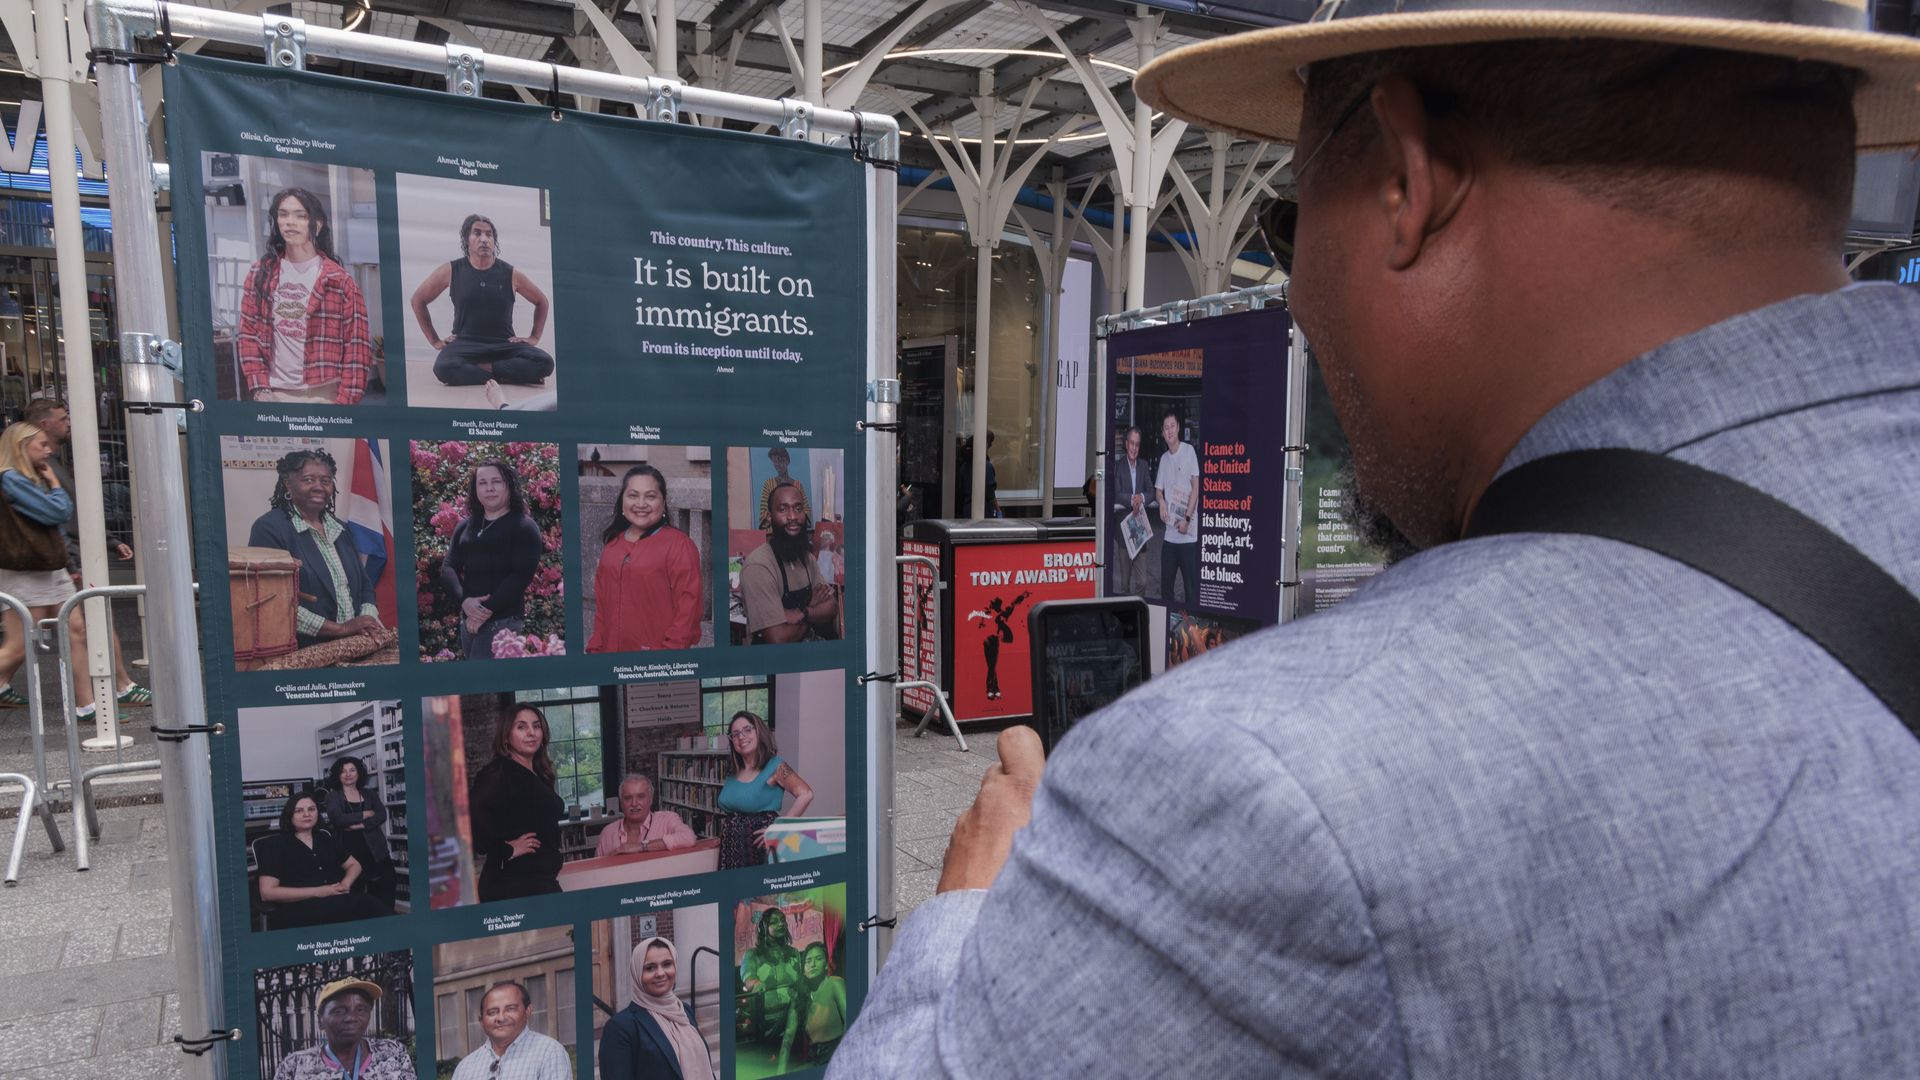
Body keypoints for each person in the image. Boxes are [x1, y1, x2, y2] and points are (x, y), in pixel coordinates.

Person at [834, 2, 1920, 1076]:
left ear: (1410, 180)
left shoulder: (1261, 782)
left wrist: (969, 916)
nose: (1299, 299)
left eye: (1288, 225)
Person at [21, 398, 147, 706]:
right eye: (63, 418)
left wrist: (108, 540)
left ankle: (100, 695)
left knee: (75, 627)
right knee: (84, 622)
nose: (69, 423)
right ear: (44, 425)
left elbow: (71, 515)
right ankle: (112, 690)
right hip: (60, 559)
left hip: (61, 559)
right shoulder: (37, 469)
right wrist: (73, 560)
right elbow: (59, 518)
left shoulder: (47, 465)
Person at [0, 421, 101, 721]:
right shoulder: (12, 479)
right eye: (41, 444)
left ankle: (86, 704)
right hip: (28, 570)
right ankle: (86, 705)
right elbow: (57, 513)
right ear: (21, 446)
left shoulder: (24, 478)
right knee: (20, 645)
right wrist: (55, 485)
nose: (48, 450)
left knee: (75, 630)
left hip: (45, 567)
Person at [237, 188, 376, 405]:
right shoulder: (260, 273)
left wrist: (345, 403)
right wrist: (259, 388)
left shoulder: (339, 281)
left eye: (300, 215)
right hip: (274, 394)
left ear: (317, 225)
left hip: (325, 394)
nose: (290, 222)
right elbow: (248, 333)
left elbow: (357, 347)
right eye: (283, 214)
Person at [247, 449, 386, 650]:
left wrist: (366, 620)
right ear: (288, 484)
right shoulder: (269, 529)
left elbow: (364, 586)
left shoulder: (340, 529)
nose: (319, 487)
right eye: (308, 480)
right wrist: (340, 629)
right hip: (304, 651)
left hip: (354, 646)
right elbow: (272, 601)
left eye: (325, 481)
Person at [410, 214, 554, 388]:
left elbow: (541, 301)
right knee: (443, 367)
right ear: (467, 240)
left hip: (503, 345)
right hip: (465, 344)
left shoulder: (510, 273)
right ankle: (508, 375)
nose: (484, 239)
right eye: (477, 233)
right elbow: (418, 299)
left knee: (544, 362)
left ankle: (482, 371)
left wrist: (534, 337)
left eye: (489, 234)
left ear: (494, 241)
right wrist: (435, 341)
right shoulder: (452, 270)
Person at [587, 464, 702, 652]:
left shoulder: (679, 545)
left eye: (650, 496)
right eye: (633, 495)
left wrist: (666, 659)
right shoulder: (612, 548)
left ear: (663, 503)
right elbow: (602, 611)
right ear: (622, 501)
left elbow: (688, 611)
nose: (641, 504)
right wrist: (595, 650)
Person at [438, 461, 544, 660]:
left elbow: (520, 576)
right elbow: (448, 567)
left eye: (496, 481)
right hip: (468, 619)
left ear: (509, 486)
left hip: (503, 623)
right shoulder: (465, 526)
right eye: (482, 483)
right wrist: (465, 601)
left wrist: (483, 612)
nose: (489, 488)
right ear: (475, 489)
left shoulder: (524, 527)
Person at [253, 791, 390, 929]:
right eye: (299, 811)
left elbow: (354, 865)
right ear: (289, 815)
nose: (307, 814)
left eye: (311, 809)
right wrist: (319, 891)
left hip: (336, 901)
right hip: (298, 909)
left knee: (376, 908)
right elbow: (267, 893)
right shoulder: (274, 845)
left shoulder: (326, 839)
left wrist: (345, 884)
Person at [468, 704, 563, 901]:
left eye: (536, 726)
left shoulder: (540, 773)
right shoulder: (498, 773)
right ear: (506, 736)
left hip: (540, 880)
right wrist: (506, 850)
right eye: (521, 727)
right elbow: (470, 818)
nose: (531, 733)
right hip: (512, 884)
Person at [600, 936, 716, 1080]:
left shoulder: (684, 1010)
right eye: (650, 968)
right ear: (637, 973)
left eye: (667, 964)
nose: (660, 973)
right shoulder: (621, 1027)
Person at [739, 478, 837, 644]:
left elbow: (832, 607)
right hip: (777, 659)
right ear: (769, 517)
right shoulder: (759, 566)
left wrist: (803, 612)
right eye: (783, 509)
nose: (792, 516)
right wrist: (813, 609)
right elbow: (778, 637)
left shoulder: (808, 559)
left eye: (798, 508)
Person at [716, 710, 811, 870]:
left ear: (759, 731)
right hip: (731, 848)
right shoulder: (733, 771)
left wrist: (780, 827)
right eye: (735, 734)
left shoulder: (776, 766)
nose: (741, 737)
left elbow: (806, 794)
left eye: (747, 730)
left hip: (761, 847)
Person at [272, 978, 415, 1080]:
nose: (352, 1017)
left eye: (361, 1009)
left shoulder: (393, 1053)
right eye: (339, 1011)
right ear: (320, 1021)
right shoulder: (293, 1067)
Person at [450, 981, 571, 1080]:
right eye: (492, 1012)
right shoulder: (465, 1067)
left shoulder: (548, 1052)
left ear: (528, 1011)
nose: (501, 1018)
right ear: (481, 1021)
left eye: (510, 1009)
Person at [322, 755, 394, 909]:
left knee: (386, 887)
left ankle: (387, 918)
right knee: (353, 894)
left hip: (375, 849)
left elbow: (381, 815)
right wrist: (365, 814)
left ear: (359, 773)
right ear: (338, 775)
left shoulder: (369, 794)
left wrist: (362, 825)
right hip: (348, 852)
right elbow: (338, 819)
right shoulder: (333, 796)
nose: (348, 774)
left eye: (352, 770)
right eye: (343, 771)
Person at [736, 907, 804, 1060]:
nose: (780, 924)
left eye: (782, 920)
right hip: (767, 1023)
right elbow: (749, 980)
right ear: (763, 928)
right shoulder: (752, 955)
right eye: (774, 922)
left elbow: (800, 983)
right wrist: (755, 983)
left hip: (794, 1018)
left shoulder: (793, 953)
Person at [1154, 408, 1200, 606]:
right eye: (1166, 428)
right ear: (1162, 433)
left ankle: (1192, 623)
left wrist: (1187, 519)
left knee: (1191, 591)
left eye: (1172, 426)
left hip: (1188, 535)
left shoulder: (1189, 452)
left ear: (1179, 428)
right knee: (1166, 589)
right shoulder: (1164, 459)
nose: (1170, 430)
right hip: (1170, 536)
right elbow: (1158, 490)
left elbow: (1196, 488)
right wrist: (1161, 502)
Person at [778, 941, 845, 1072]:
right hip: (814, 1058)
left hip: (836, 1053)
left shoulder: (835, 984)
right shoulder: (800, 997)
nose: (812, 964)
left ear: (826, 964)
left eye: (818, 959)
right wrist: (780, 1071)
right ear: (803, 968)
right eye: (808, 961)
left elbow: (852, 1020)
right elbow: (788, 1037)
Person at [593, 774, 697, 856]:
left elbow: (689, 837)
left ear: (650, 799)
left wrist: (641, 846)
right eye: (628, 798)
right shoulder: (607, 833)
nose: (634, 803)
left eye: (641, 797)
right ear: (621, 802)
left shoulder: (667, 820)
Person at [1107, 425, 1156, 595]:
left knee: (1142, 581)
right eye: (1132, 443)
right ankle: (1126, 610)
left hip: (1140, 531)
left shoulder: (1143, 466)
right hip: (1124, 532)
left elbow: (1152, 491)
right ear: (1126, 444)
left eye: (1137, 444)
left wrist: (1141, 497)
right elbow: (1116, 493)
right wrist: (1132, 499)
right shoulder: (1118, 466)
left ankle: (1138, 606)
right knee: (1125, 584)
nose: (1134, 448)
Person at [965, 591, 1030, 703]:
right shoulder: (987, 613)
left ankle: (992, 689)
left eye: (993, 604)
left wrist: (1023, 596)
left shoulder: (1002, 614)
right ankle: (994, 689)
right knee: (991, 665)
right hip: (987, 641)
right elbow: (980, 626)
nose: (991, 605)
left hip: (994, 640)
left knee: (992, 665)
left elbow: (1013, 604)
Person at [756, 446, 805, 529]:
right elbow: (763, 514)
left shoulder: (798, 485)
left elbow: (806, 511)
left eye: (781, 460)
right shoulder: (769, 484)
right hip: (774, 533)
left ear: (787, 461)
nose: (778, 465)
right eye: (775, 462)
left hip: (795, 531)